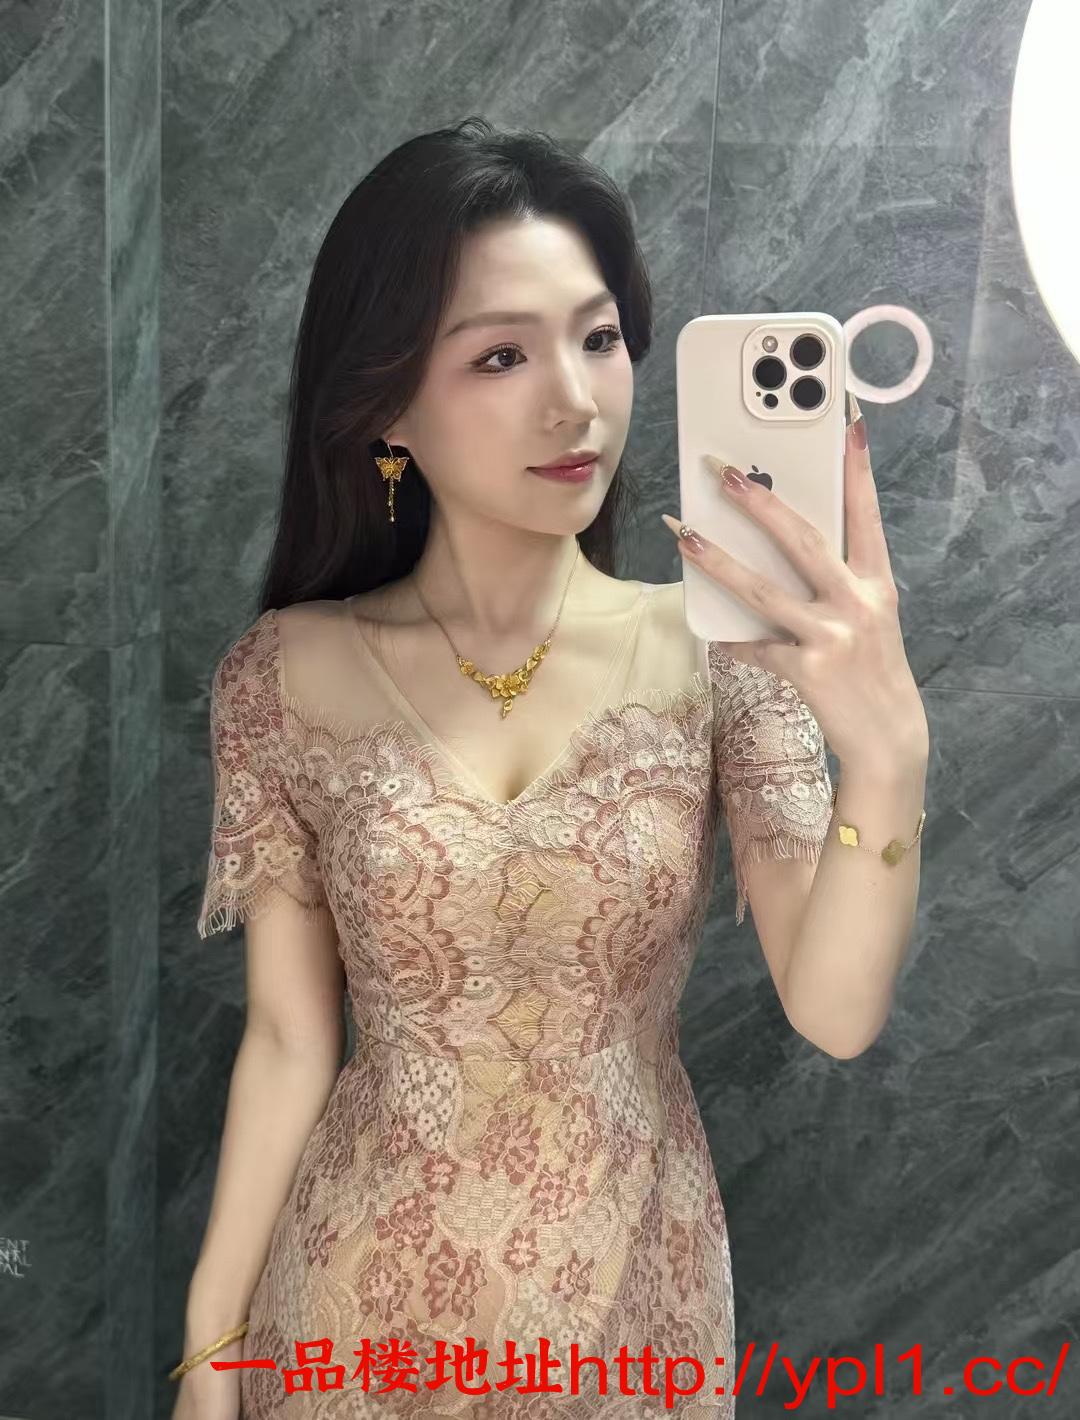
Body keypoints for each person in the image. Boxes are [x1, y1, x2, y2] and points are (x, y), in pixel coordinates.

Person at [171, 116, 835, 1420]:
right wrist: (210, 1354)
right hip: (354, 1315)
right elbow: (291, 1039)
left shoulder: (718, 656)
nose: (574, 399)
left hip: (635, 1311)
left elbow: (834, 1000)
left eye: (600, 338)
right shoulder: (284, 676)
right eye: (500, 355)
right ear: (386, 408)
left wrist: (886, 746)